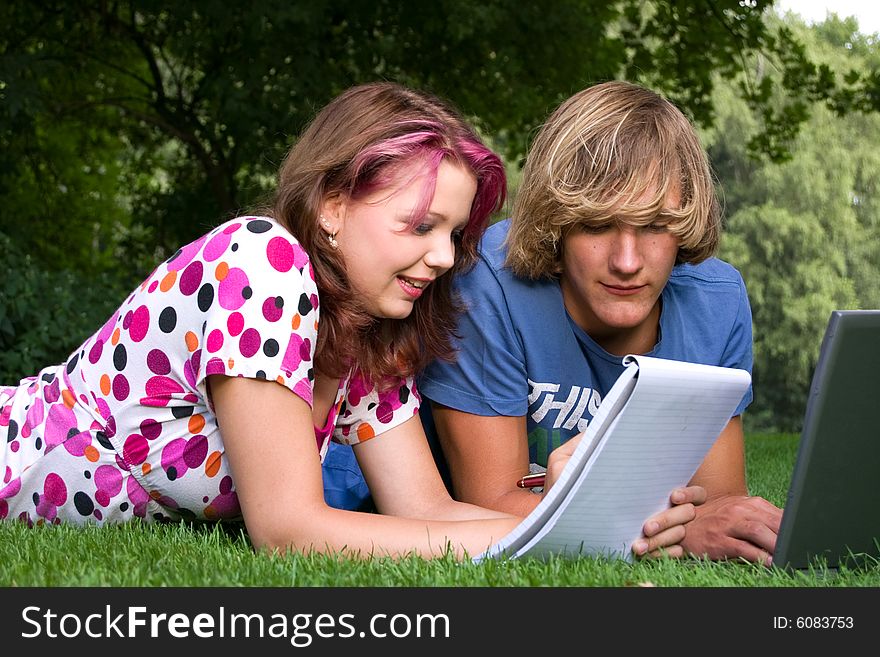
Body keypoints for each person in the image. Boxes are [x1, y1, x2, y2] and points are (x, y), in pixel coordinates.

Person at [0, 81, 701, 560]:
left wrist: (581, 523)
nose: (442, 256)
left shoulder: (369, 332)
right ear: (332, 205)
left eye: (454, 232)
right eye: (421, 224)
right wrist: (515, 540)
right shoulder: (262, 261)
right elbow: (287, 527)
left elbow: (425, 507)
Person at [418, 80, 784, 564]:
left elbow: (715, 504)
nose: (627, 261)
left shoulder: (717, 301)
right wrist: (675, 536)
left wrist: (708, 522)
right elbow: (488, 504)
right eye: (596, 224)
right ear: (557, 225)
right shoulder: (487, 282)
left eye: (655, 225)